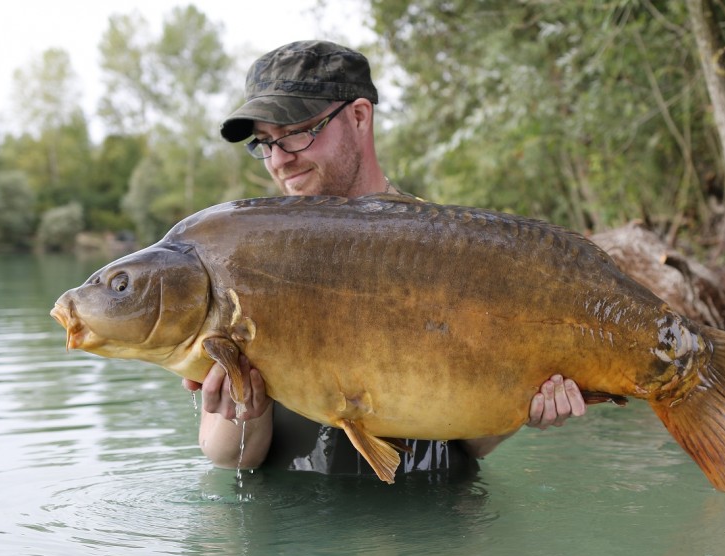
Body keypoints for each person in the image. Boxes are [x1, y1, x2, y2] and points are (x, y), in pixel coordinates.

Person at [183, 40, 586, 477]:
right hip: (297, 528)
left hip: (435, 522)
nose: (280, 159)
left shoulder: (452, 250)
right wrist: (245, 407)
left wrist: (526, 406)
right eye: (265, 142)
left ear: (359, 116)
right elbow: (228, 455)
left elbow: (473, 444)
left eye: (298, 131)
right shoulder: (246, 254)